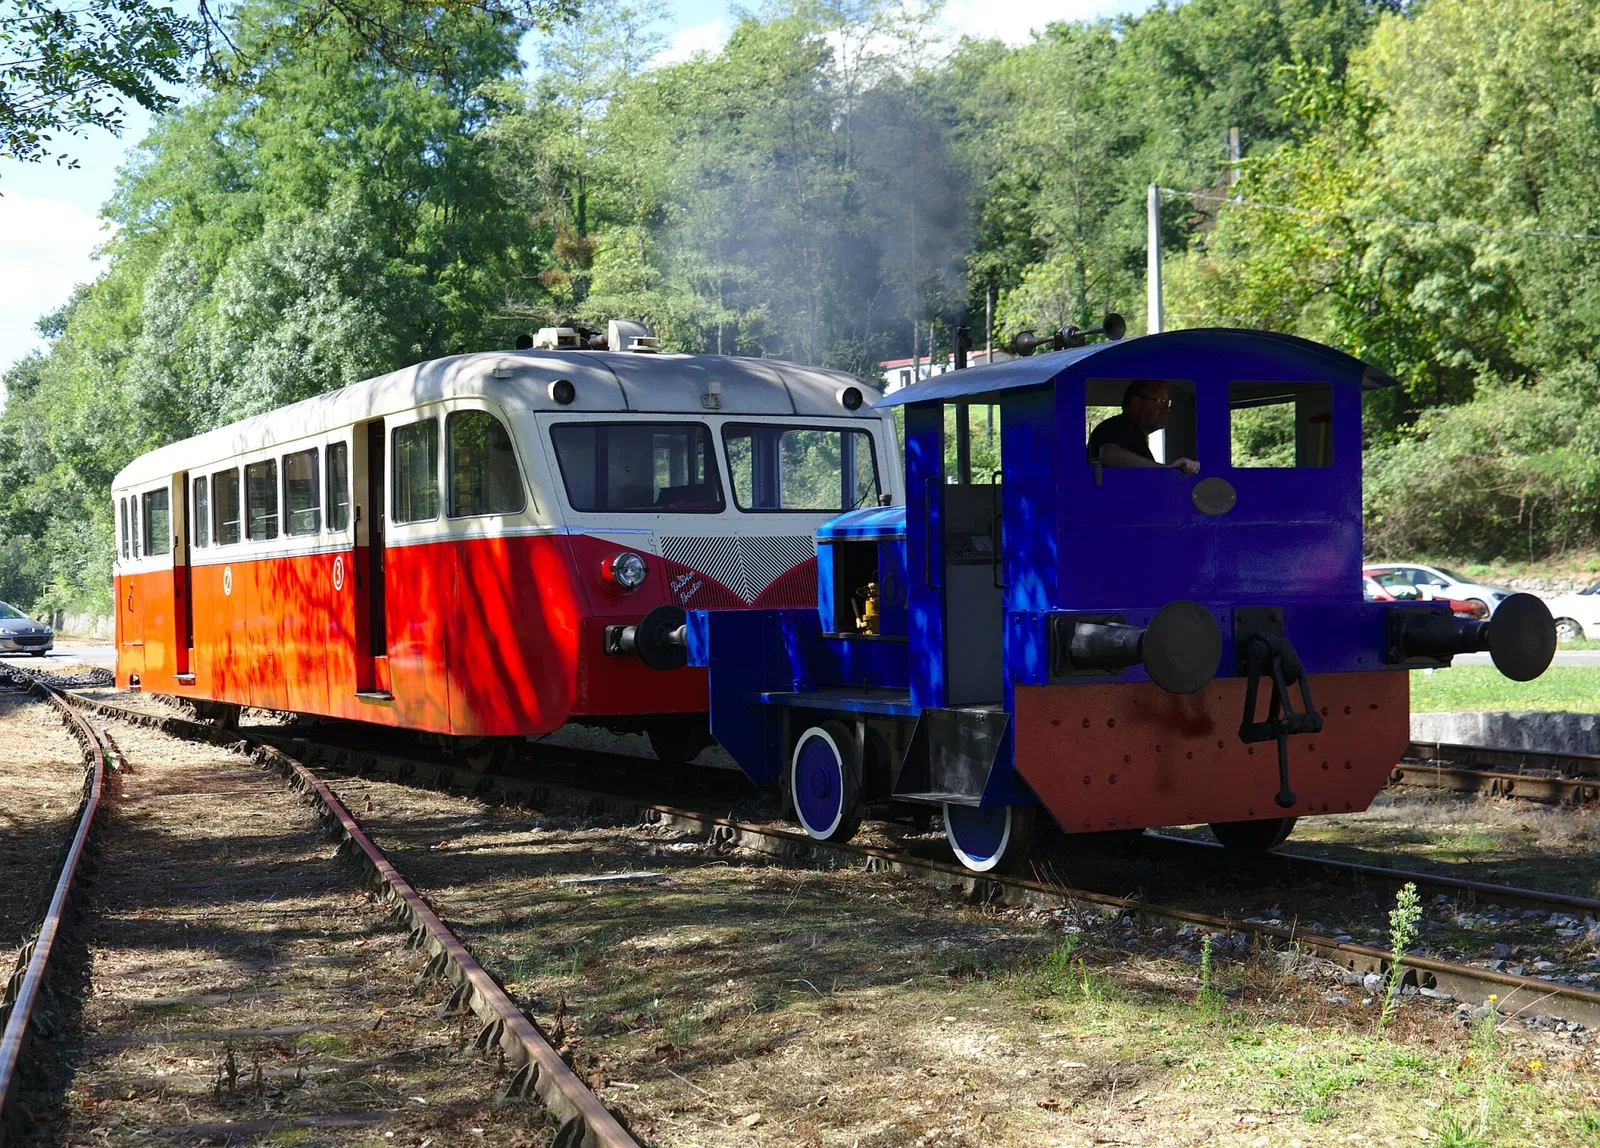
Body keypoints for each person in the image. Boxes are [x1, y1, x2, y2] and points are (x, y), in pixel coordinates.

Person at [1087, 379, 1200, 474]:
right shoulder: (1117, 427)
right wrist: (1166, 470)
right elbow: (1109, 454)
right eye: (1161, 401)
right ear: (1136, 402)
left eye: (1167, 403)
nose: (1167, 409)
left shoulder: (1134, 433)